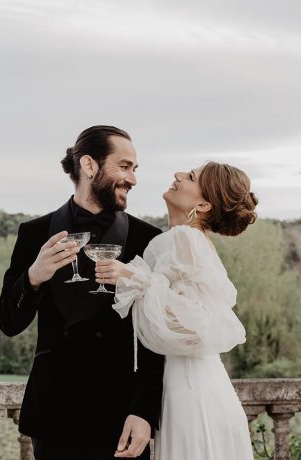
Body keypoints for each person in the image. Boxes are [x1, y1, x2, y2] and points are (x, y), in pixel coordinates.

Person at [0, 125, 165, 460]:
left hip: (121, 415)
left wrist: (145, 411)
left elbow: (155, 339)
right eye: (125, 166)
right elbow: (8, 322)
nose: (133, 179)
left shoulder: (147, 239)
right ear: (89, 166)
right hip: (55, 414)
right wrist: (33, 277)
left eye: (135, 169)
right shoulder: (35, 233)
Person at [94, 161, 258, 459]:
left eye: (191, 177)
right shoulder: (187, 240)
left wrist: (133, 278)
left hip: (190, 390)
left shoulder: (183, 238)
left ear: (204, 203)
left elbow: (197, 325)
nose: (178, 175)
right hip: (201, 382)